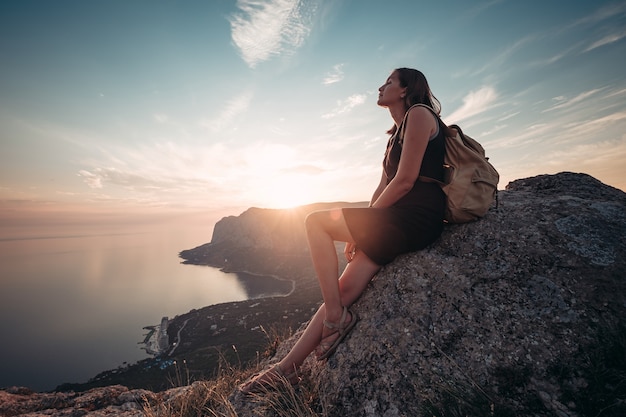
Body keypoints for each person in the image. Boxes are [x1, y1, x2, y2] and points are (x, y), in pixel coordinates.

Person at [240, 68, 448, 393]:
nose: (381, 86)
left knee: (314, 222)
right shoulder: (395, 133)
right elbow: (382, 188)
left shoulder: (420, 115)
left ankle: (337, 319)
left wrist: (359, 227)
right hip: (395, 221)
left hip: (418, 218)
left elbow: (405, 181)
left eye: (389, 82)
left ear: (407, 89)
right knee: (342, 291)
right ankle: (285, 369)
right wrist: (362, 226)